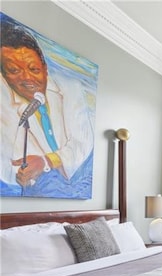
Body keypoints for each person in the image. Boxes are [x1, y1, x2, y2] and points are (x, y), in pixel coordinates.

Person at [1, 14, 95, 198]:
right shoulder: (3, 104)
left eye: (34, 69)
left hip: (78, 179)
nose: (26, 78)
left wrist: (46, 161)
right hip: (40, 189)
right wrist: (23, 172)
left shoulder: (70, 88)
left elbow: (82, 142)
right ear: (3, 75)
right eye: (14, 71)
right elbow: (5, 164)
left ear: (45, 68)